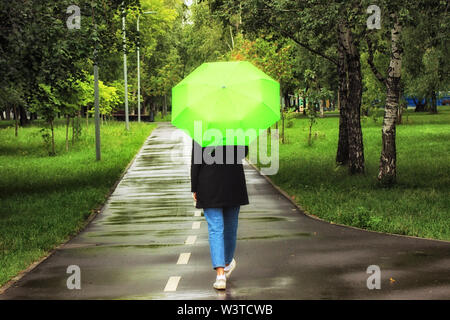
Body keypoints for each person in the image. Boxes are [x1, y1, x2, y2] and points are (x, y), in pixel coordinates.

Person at [190, 139, 249, 290]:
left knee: (215, 228)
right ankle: (227, 263)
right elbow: (243, 152)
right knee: (231, 227)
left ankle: (220, 275)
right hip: (234, 182)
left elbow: (196, 158)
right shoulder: (238, 124)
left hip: (208, 183)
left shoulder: (201, 124)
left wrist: (194, 187)